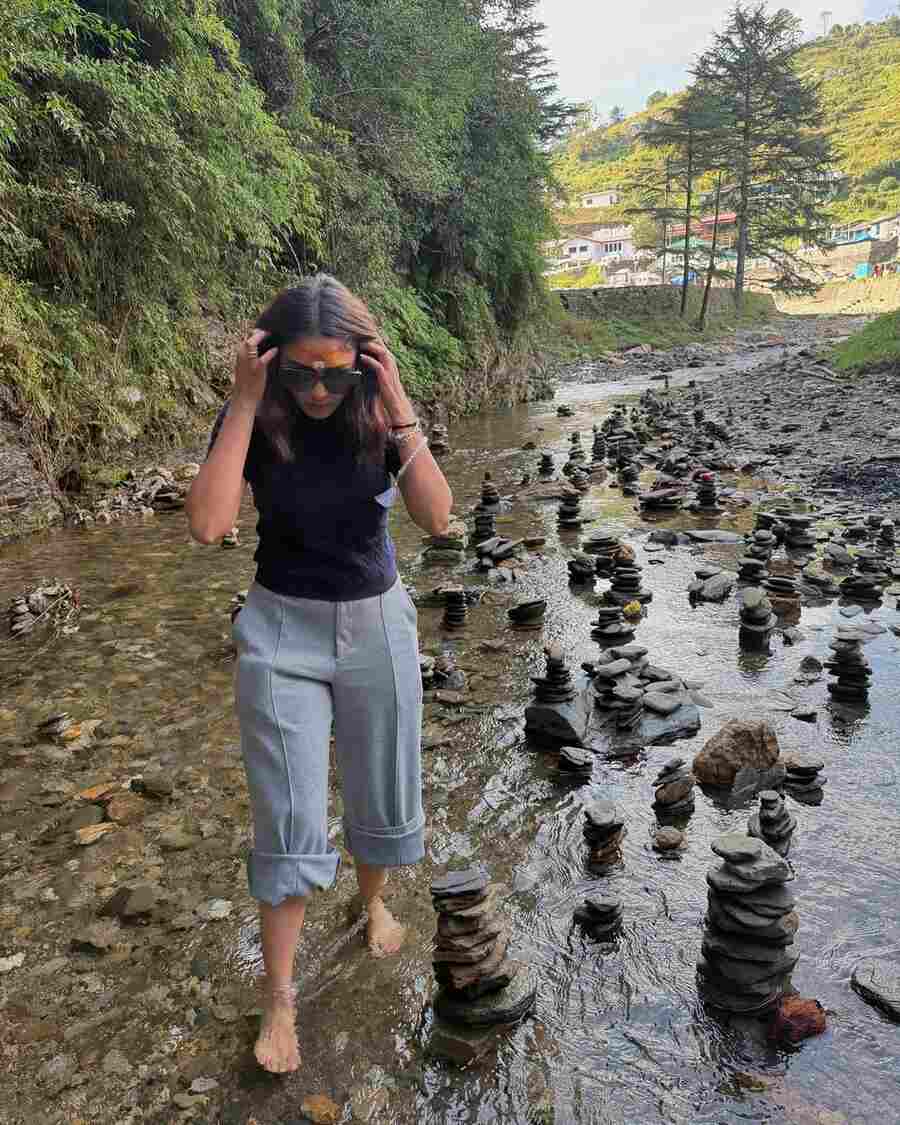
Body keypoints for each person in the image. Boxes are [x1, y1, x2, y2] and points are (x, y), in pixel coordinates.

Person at [186, 274, 452, 1074]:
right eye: (300, 372)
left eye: (335, 373)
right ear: (271, 360)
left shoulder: (377, 410)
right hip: (280, 629)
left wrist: (397, 400)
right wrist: (244, 399)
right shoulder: (258, 411)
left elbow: (437, 516)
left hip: (376, 621)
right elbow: (209, 524)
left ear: (361, 364)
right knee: (288, 811)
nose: (317, 390)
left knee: (379, 783)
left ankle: (373, 903)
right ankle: (280, 995)